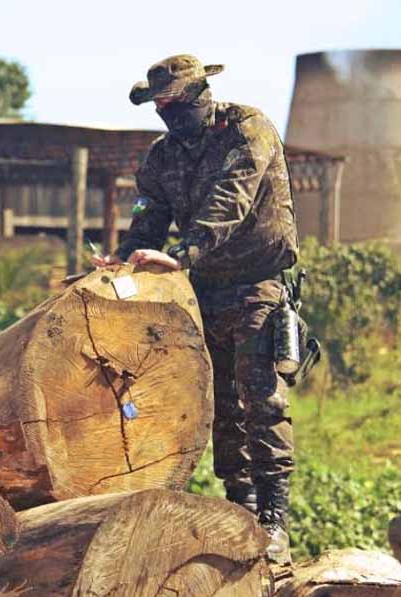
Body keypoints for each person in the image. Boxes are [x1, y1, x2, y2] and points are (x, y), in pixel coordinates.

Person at [94, 55, 300, 565]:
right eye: (160, 105)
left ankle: (275, 519)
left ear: (201, 94)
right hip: (203, 292)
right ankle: (242, 512)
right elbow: (148, 212)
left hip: (257, 285)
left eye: (176, 103)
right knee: (221, 405)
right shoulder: (162, 156)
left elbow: (232, 199)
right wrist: (125, 258)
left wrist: (181, 254)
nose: (168, 113)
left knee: (261, 399)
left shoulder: (245, 130)